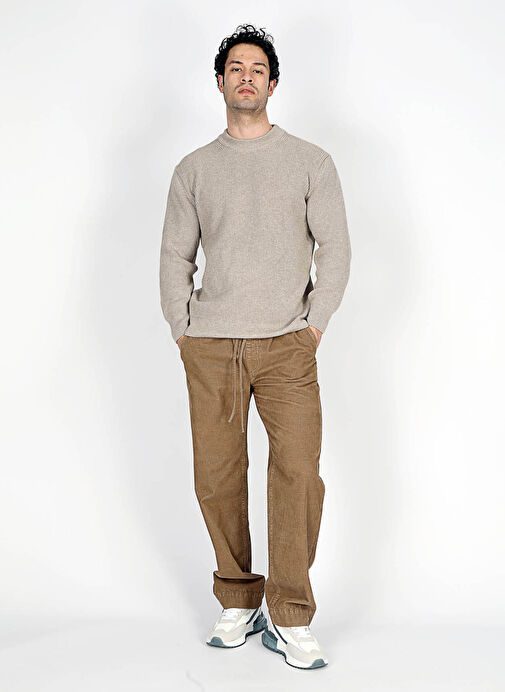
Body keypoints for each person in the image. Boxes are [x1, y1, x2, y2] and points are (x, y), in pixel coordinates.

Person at [159, 23, 351, 670]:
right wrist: (181, 326)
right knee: (216, 477)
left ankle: (290, 613)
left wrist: (314, 324)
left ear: (273, 84)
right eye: (236, 68)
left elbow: (335, 249)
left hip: (287, 346)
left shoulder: (310, 161)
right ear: (220, 82)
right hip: (210, 345)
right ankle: (238, 598)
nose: (246, 77)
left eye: (257, 69)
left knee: (298, 474)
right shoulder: (194, 169)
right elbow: (175, 255)